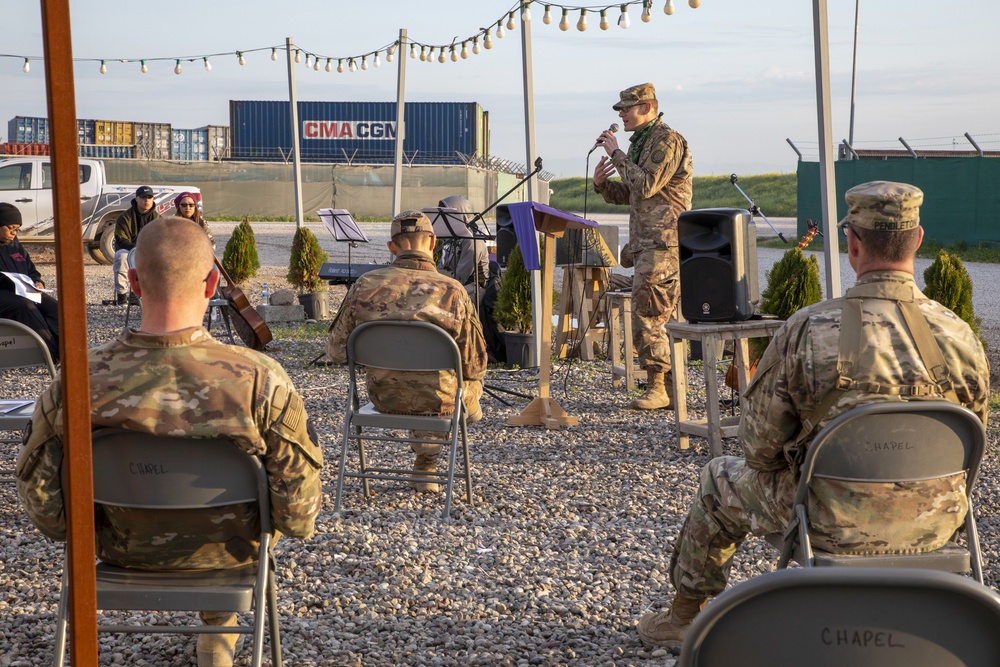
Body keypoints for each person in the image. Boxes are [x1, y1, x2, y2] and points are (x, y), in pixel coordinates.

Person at [636, 181, 990, 651]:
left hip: (828, 518)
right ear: (918, 239)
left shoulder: (807, 328)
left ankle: (684, 618)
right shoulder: (962, 334)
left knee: (718, 479)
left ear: (854, 244)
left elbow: (758, 450)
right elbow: (971, 440)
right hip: (937, 519)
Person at [16, 216, 323, 667]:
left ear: (134, 281)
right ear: (213, 282)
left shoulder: (79, 380)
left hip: (119, 551)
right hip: (231, 555)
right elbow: (298, 513)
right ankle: (218, 632)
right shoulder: (260, 380)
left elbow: (46, 509)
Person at [327, 210, 488, 493]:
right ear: (433, 242)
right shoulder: (453, 291)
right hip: (439, 402)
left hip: (383, 397)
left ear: (392, 247)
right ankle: (427, 462)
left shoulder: (364, 286)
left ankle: (424, 458)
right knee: (468, 382)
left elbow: (336, 352)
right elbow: (475, 365)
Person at [593, 82, 693, 411]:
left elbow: (646, 185)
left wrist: (616, 153)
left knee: (648, 315)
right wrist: (604, 186)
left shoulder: (666, 140)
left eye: (626, 108)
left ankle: (659, 387)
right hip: (647, 243)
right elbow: (632, 193)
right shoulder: (644, 143)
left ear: (647, 107)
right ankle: (666, 386)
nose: (621, 114)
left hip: (663, 242)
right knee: (652, 313)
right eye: (620, 109)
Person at [0, 203, 60, 363]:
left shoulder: (14, 245)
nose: (14, 233)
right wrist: (10, 281)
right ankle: (51, 355)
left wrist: (37, 282)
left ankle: (66, 352)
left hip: (22, 290)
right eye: (10, 228)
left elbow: (31, 269)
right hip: (5, 294)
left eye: (17, 229)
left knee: (54, 307)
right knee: (26, 306)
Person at [435, 195, 489, 303]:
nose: (443, 218)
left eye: (446, 214)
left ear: (459, 214)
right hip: (451, 283)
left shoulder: (472, 241)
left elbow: (460, 278)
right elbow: (442, 267)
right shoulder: (449, 237)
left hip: (473, 289)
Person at [111, 185, 159, 305]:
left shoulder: (158, 219)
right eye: (143, 197)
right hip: (128, 250)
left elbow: (161, 239)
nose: (146, 200)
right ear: (136, 199)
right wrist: (136, 250)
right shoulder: (125, 217)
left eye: (149, 197)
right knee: (121, 256)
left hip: (149, 251)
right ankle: (122, 296)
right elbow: (121, 239)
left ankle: (141, 295)